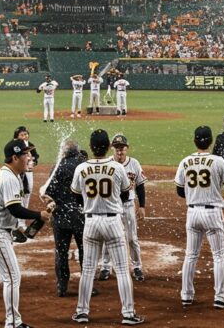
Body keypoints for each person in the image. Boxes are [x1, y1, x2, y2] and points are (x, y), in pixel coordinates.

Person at [71, 129, 145, 325]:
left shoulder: (81, 168)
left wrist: (91, 203)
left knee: (87, 270)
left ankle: (81, 312)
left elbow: (76, 195)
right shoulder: (117, 168)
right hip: (113, 221)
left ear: (91, 146)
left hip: (91, 222)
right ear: (107, 147)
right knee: (121, 270)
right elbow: (124, 195)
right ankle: (128, 314)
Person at [0, 139, 51, 328]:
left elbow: (11, 209)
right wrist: (39, 214)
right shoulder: (9, 177)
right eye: (26, 154)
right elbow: (15, 209)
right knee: (12, 277)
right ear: (15, 157)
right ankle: (13, 323)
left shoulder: (10, 173)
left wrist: (22, 227)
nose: (29, 157)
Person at [175, 125, 224, 309]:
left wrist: (197, 195)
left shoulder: (185, 161)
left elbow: (180, 190)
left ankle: (186, 295)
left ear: (195, 141)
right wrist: (215, 196)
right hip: (212, 214)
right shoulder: (218, 161)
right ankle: (220, 297)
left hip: (192, 213)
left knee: (191, 255)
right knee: (219, 256)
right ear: (210, 141)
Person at [41, 140, 88, 297]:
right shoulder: (82, 165)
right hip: (80, 216)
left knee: (61, 252)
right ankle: (87, 286)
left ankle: (62, 285)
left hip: (60, 216)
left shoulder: (57, 166)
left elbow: (48, 193)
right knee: (84, 250)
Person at [98, 134, 147, 282]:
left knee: (132, 238)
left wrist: (142, 206)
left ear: (127, 148)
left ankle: (137, 267)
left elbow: (140, 185)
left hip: (128, 206)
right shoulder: (106, 163)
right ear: (112, 148)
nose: (120, 152)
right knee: (108, 237)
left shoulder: (134, 164)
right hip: (111, 207)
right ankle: (106, 267)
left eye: (122, 148)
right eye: (117, 148)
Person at [12, 126, 40, 241]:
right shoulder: (14, 146)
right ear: (17, 137)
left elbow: (36, 156)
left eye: (26, 134)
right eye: (22, 135)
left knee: (27, 195)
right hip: (19, 173)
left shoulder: (30, 145)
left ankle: (21, 222)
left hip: (29, 174)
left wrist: (33, 161)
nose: (24, 136)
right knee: (19, 196)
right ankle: (17, 223)